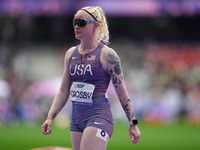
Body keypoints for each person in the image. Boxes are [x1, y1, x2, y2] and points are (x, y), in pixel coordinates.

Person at [41, 6, 141, 150]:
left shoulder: (107, 54)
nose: (76, 26)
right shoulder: (70, 54)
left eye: (81, 23)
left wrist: (133, 123)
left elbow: (121, 91)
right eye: (75, 22)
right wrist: (50, 117)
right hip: (76, 119)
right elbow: (63, 91)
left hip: (98, 117)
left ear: (95, 25)